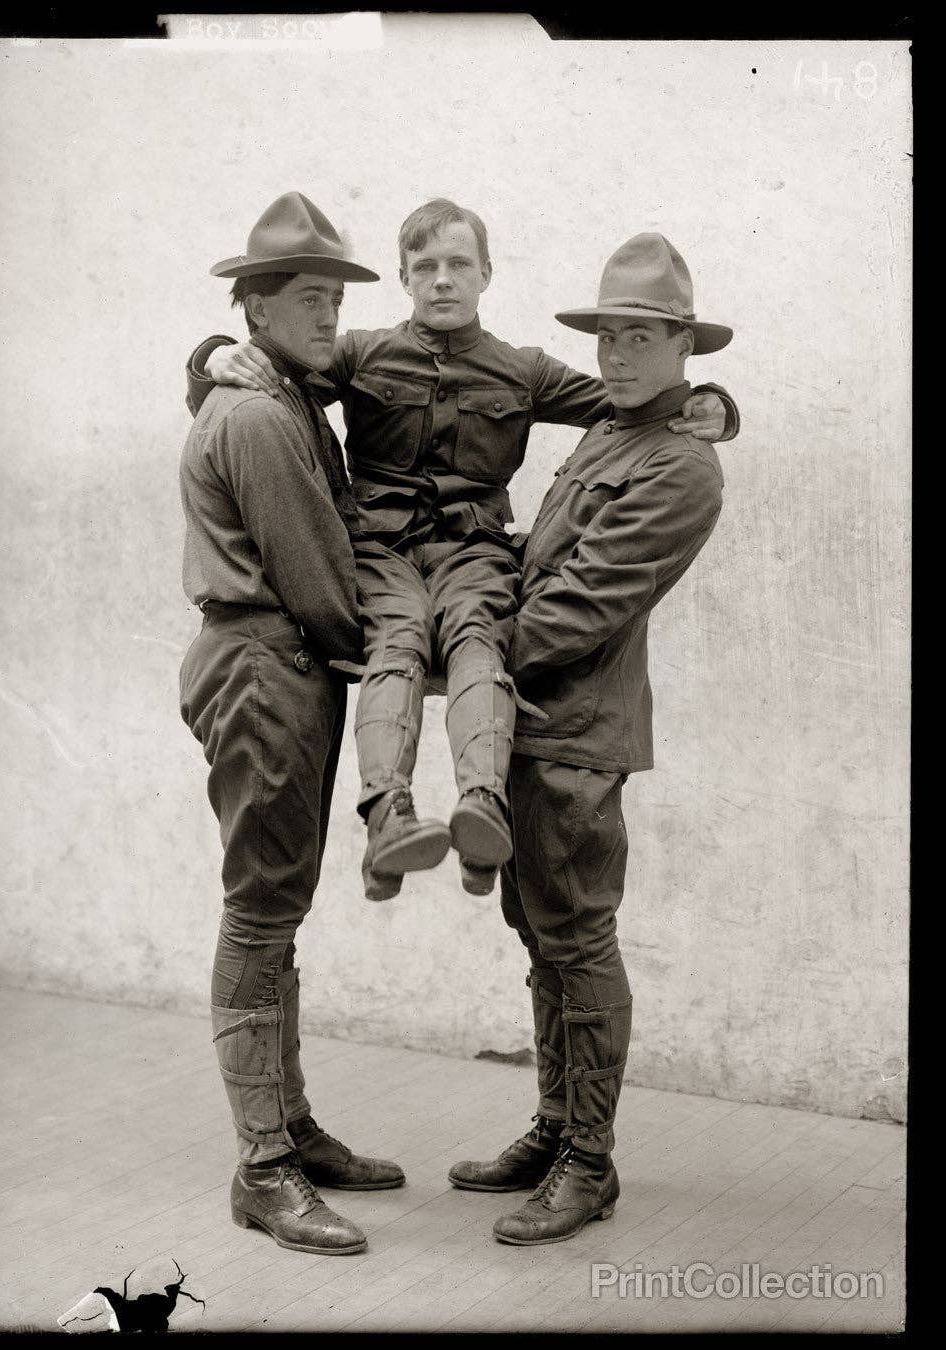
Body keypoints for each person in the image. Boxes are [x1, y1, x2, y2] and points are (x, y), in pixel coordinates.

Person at [185, 200, 740, 902]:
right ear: (403, 278)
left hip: (475, 554)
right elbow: (276, 372)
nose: (442, 279)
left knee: (481, 641)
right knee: (396, 642)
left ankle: (484, 808)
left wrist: (713, 402)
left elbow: (629, 398)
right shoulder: (359, 354)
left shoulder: (524, 371)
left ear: (486, 274)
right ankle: (388, 815)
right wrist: (209, 356)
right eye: (425, 267)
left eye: (458, 264)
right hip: (382, 554)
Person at [447, 232, 733, 1246]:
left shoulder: (682, 465)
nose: (616, 353)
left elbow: (580, 604)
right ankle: (554, 1124)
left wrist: (471, 659)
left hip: (577, 733)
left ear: (685, 344)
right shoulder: (610, 430)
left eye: (640, 336)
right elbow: (544, 558)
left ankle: (590, 1160)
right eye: (607, 335)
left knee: (577, 936)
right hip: (526, 724)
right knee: (537, 931)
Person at [178, 191, 405, 1258]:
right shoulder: (262, 416)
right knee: (260, 914)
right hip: (266, 669)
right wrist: (405, 657)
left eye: (336, 299)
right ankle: (263, 1167)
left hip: (285, 670)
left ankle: (292, 1128)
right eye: (310, 298)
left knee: (278, 909)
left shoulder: (285, 393)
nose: (330, 316)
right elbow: (319, 580)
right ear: (257, 309)